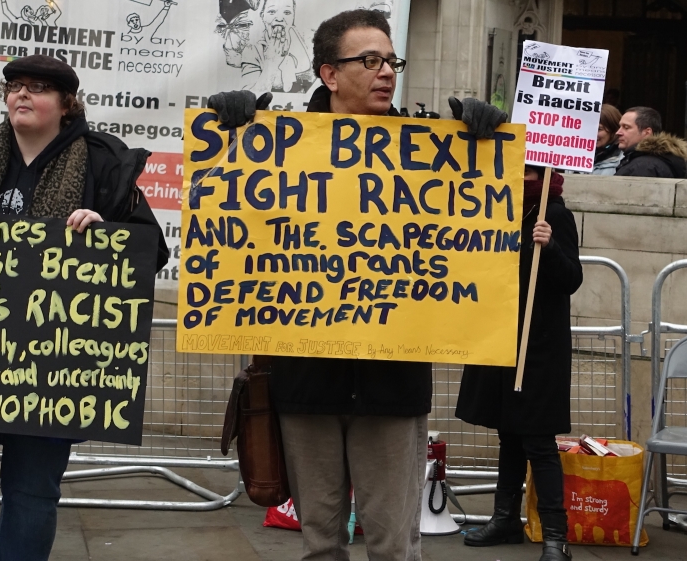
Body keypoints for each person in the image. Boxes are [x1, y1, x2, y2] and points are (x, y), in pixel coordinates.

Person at [207, 9, 507, 560]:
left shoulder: (431, 149)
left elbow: (478, 228)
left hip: (391, 389)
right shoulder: (278, 145)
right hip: (307, 384)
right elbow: (236, 215)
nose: (386, 71)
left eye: (391, 60)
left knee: (394, 546)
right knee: (321, 544)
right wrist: (232, 125)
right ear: (329, 74)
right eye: (369, 60)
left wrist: (485, 138)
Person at [0, 54, 169, 561]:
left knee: (32, 493)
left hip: (53, 366)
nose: (22, 95)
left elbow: (149, 250)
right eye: (15, 87)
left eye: (39, 88)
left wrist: (108, 231)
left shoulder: (102, 162)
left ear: (66, 105)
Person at [455, 165, 583, 561]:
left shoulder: (555, 214)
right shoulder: (501, 209)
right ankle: (505, 518)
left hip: (539, 344)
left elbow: (571, 279)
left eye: (530, 172)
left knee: (538, 440)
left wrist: (552, 246)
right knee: (509, 432)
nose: (522, 177)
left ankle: (554, 538)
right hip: (503, 337)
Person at [614, 106, 687, 178]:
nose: (618, 132)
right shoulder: (647, 162)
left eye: (626, 127)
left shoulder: (643, 166)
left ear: (647, 132)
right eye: (620, 127)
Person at [591, 103, 622, 176]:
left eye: (599, 129)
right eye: (589, 129)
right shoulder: (576, 155)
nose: (592, 134)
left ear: (614, 130)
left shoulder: (623, 159)